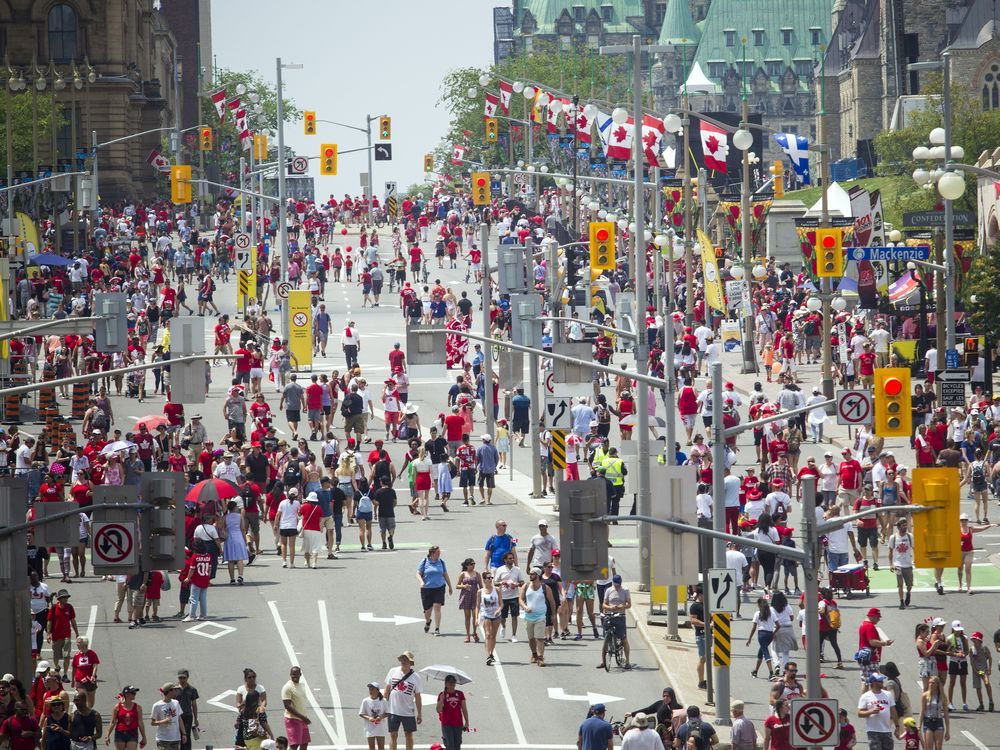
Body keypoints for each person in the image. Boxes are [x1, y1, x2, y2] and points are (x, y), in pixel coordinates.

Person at [383, 651, 422, 750]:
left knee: (408, 735)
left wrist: (419, 713)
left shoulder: (416, 677)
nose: (403, 661)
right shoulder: (393, 671)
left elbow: (418, 697)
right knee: (393, 734)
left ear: (411, 663)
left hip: (408, 712)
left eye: (406, 660)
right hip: (393, 710)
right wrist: (383, 706)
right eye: (402, 659)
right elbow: (387, 688)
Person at [520, 566, 557, 667]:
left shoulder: (545, 588)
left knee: (539, 638)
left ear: (537, 575)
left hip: (540, 617)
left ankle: (540, 658)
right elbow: (521, 599)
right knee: (531, 638)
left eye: (532, 574)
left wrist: (553, 614)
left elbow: (552, 602)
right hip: (528, 617)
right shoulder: (526, 586)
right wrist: (525, 607)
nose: (530, 575)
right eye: (530, 574)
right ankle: (534, 654)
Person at [857, 673, 900, 750]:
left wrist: (897, 726)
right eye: (880, 681)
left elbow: (893, 711)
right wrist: (870, 711)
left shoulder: (888, 694)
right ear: (873, 683)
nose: (882, 682)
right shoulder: (865, 696)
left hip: (887, 730)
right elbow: (860, 713)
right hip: (873, 731)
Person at [416, 546, 451, 636]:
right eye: (437, 553)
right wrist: (421, 582)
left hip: (439, 588)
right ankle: (428, 621)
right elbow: (418, 574)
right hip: (426, 589)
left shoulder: (441, 562)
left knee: (437, 607)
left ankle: (437, 628)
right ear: (432, 553)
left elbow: (445, 574)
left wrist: (450, 586)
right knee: (427, 610)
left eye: (439, 552)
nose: (439, 554)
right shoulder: (424, 561)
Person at [599, 575, 631, 670]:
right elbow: (604, 604)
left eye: (618, 585)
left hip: (620, 616)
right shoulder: (609, 590)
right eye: (615, 584)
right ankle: (603, 662)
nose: (616, 587)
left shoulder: (625, 590)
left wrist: (622, 607)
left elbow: (629, 604)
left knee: (623, 638)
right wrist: (609, 608)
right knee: (606, 637)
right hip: (610, 615)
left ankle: (628, 661)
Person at [105, 686, 146, 750]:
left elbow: (140, 723)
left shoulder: (138, 707)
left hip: (133, 733)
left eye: (135, 693)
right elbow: (112, 722)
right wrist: (107, 735)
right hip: (120, 733)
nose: (135, 694)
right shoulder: (117, 707)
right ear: (126, 694)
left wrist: (144, 737)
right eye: (133, 693)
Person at [280, 667, 310, 750]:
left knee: (304, 743)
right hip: (292, 719)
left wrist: (304, 717)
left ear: (300, 674)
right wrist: (303, 717)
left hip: (302, 719)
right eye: (293, 674)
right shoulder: (287, 687)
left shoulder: (302, 685)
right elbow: (287, 706)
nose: (295, 676)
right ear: (290, 674)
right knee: (294, 745)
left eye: (297, 674)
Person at [434, 675, 468, 750]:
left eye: (453, 682)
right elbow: (438, 710)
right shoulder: (442, 695)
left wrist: (467, 722)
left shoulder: (460, 694)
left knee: (457, 745)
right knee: (450, 746)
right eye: (450, 682)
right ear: (446, 684)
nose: (452, 684)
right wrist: (441, 699)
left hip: (458, 724)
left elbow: (464, 709)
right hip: (447, 724)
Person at [887, 518, 914, 609]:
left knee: (909, 585)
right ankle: (901, 602)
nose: (905, 527)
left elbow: (914, 548)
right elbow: (890, 552)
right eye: (903, 525)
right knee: (900, 584)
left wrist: (915, 559)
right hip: (898, 564)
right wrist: (891, 564)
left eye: (906, 525)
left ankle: (908, 593)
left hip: (908, 564)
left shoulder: (910, 536)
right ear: (898, 527)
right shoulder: (893, 538)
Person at [150, 683, 184, 750]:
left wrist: (184, 733)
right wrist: (163, 721)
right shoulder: (157, 705)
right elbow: (152, 723)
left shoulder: (176, 703)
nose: (176, 692)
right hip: (163, 739)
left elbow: (179, 719)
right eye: (174, 690)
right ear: (169, 691)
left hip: (175, 738)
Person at [919, 675, 949, 750]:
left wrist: (948, 730)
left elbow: (946, 714)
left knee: (938, 747)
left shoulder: (943, 697)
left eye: (933, 683)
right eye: (929, 683)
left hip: (938, 721)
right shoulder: (925, 695)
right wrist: (919, 726)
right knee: (928, 747)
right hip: (928, 721)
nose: (930, 685)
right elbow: (922, 711)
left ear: (937, 685)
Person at [359, 682, 387, 750]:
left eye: (372, 689)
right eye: (370, 689)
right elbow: (361, 713)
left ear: (377, 690)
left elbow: (387, 713)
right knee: (371, 747)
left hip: (380, 727)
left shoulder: (383, 701)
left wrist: (380, 717)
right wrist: (369, 718)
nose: (370, 691)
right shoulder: (365, 701)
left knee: (381, 747)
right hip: (369, 727)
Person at [174, 671, 198, 750]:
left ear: (187, 678)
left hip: (188, 715)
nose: (182, 680)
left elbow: (194, 705)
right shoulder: (174, 689)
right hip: (177, 716)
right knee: (177, 735)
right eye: (180, 678)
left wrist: (196, 719)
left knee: (186, 735)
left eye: (184, 678)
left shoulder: (192, 689)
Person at [689, 584, 707, 689]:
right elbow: (693, 620)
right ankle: (701, 681)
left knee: (705, 659)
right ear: (700, 595)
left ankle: (703, 680)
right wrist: (706, 624)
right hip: (700, 635)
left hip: (708, 635)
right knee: (702, 658)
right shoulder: (695, 606)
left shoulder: (707, 605)